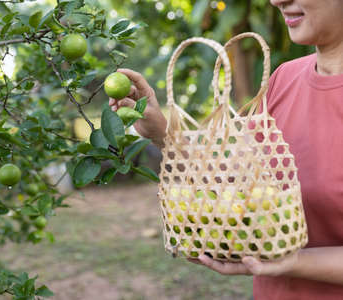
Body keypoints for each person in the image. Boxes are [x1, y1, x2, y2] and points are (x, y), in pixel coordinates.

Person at [108, 0, 343, 299]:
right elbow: (238, 185)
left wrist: (291, 262)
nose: (277, 1)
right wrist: (163, 133)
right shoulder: (284, 78)